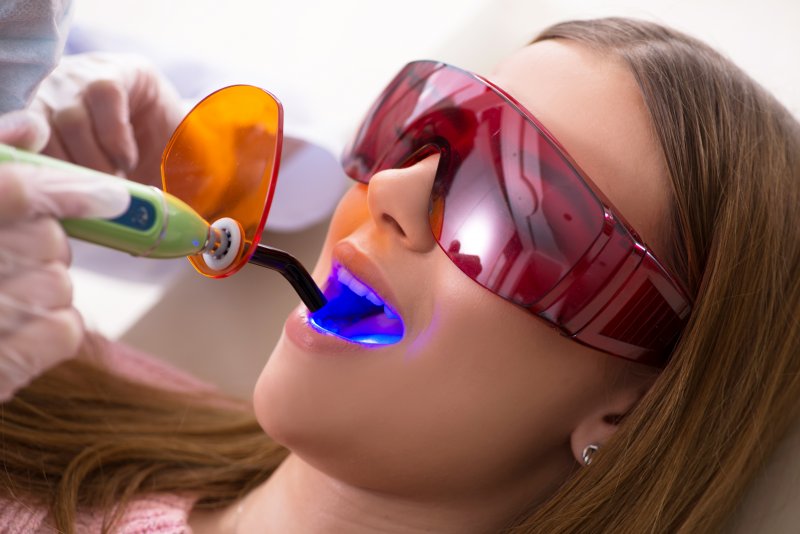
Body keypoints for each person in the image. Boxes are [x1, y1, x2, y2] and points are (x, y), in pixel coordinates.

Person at [1, 16, 799, 534]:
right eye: (419, 132)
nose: (390, 190)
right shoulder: (45, 383)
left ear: (627, 415)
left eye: (517, 211)